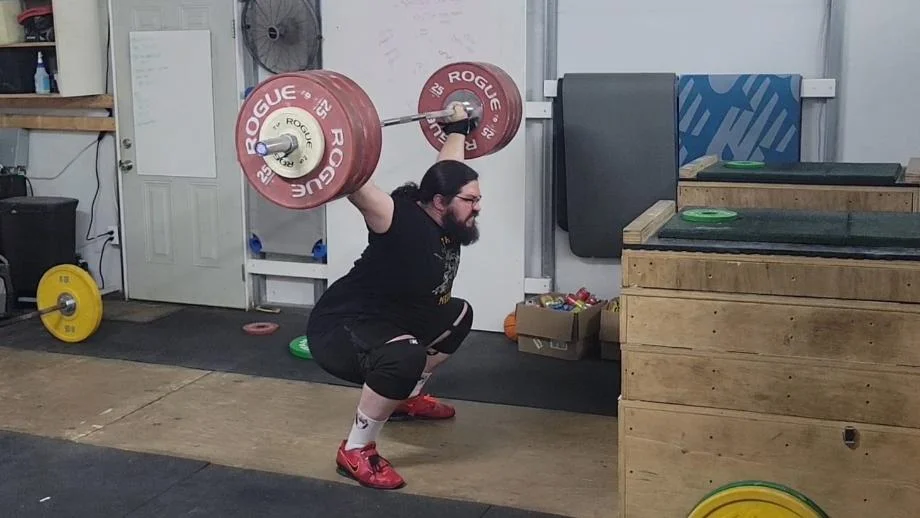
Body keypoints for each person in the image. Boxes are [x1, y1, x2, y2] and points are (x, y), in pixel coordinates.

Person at [304, 110, 482, 490]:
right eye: (471, 201)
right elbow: (355, 186)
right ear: (440, 201)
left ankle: (404, 398)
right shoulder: (396, 218)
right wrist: (327, 146)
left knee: (458, 314)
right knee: (406, 354)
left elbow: (449, 163)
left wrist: (458, 128)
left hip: (393, 317)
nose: (478, 208)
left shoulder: (447, 215)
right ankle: (355, 449)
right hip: (342, 328)